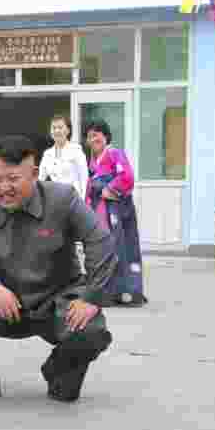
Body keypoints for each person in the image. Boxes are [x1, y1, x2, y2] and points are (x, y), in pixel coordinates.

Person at [0, 135, 117, 403]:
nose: (4, 188)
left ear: (34, 174)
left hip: (56, 303)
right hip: (2, 304)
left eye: (13, 179)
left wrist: (91, 296)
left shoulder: (62, 199)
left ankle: (59, 371)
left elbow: (100, 240)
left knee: (91, 331)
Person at [85, 119, 148, 307]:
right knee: (104, 248)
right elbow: (90, 186)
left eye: (96, 135)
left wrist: (109, 189)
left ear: (105, 136)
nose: (93, 139)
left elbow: (127, 176)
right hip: (100, 209)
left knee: (122, 247)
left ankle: (128, 291)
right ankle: (109, 291)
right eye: (90, 136)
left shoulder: (114, 153)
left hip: (117, 209)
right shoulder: (93, 160)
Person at [39, 114, 90, 275]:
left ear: (68, 130)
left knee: (74, 239)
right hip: (54, 202)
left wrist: (82, 202)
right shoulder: (47, 154)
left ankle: (79, 273)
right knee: (56, 239)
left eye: (60, 127)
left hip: (73, 201)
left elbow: (84, 178)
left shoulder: (76, 150)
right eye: (54, 128)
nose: (57, 131)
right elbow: (40, 179)